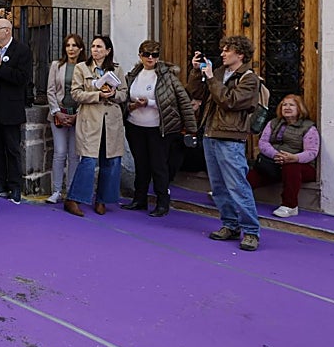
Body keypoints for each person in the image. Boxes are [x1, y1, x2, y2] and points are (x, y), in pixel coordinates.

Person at [187, 35, 262, 250]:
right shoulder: (219, 73)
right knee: (218, 186)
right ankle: (230, 224)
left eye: (227, 50)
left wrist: (210, 78)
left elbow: (230, 101)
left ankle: (251, 231)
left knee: (237, 186)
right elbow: (195, 92)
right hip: (211, 133)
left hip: (231, 137)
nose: (222, 54)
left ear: (240, 54)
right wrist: (196, 71)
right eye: (222, 50)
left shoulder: (249, 79)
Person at [123, 40, 197, 217]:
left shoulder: (168, 76)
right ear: (140, 55)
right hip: (135, 126)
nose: (150, 58)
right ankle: (139, 199)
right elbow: (123, 98)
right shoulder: (133, 75)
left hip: (159, 128)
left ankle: (162, 202)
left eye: (154, 55)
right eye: (146, 54)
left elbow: (181, 102)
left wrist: (191, 127)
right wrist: (131, 106)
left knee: (159, 166)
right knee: (140, 164)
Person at [64, 35, 127, 217]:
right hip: (90, 120)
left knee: (111, 161)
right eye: (93, 46)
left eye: (100, 47)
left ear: (108, 51)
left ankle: (102, 200)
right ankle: (74, 199)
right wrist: (98, 94)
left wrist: (114, 94)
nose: (95, 50)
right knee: (89, 161)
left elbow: (124, 94)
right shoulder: (81, 68)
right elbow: (76, 94)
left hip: (111, 122)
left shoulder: (117, 69)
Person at [248, 94, 319, 218]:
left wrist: (293, 158)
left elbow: (312, 152)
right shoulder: (273, 123)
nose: (287, 107)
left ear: (299, 108)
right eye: (284, 105)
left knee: (291, 166)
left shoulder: (308, 128)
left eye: (291, 105)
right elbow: (263, 142)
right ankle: (230, 194)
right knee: (257, 173)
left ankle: (290, 206)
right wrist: (276, 155)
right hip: (275, 161)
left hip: (301, 167)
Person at [0, 0, 54, 102]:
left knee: (40, 59)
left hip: (38, 20)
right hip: (18, 21)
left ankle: (41, 93)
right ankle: (24, 92)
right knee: (20, 59)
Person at [0, 17, 32, 203]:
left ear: (7, 30)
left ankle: (15, 186)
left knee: (12, 149)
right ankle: (0, 182)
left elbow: (22, 78)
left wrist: (1, 68)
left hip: (11, 108)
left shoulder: (22, 51)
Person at [45, 34, 84, 204]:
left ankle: (71, 191)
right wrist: (56, 112)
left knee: (75, 155)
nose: (71, 48)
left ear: (81, 48)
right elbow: (50, 90)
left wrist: (78, 115)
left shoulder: (85, 67)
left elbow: (87, 93)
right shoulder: (57, 65)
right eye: (68, 45)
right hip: (58, 113)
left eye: (75, 45)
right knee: (60, 153)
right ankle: (56, 191)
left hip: (78, 115)